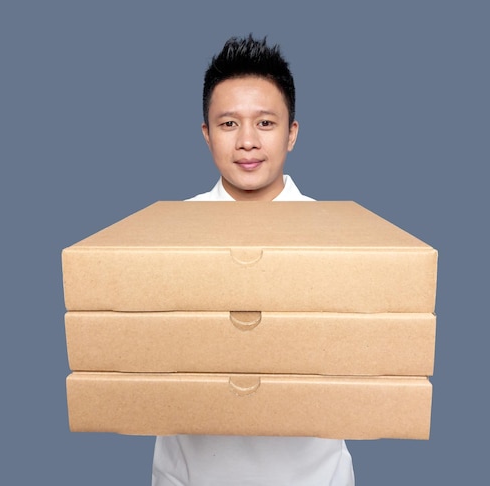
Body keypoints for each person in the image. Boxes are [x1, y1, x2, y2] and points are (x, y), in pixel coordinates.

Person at [151, 34, 356, 486]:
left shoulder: (340, 238)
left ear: (292, 133)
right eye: (228, 125)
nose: (247, 141)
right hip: (193, 470)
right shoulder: (167, 235)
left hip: (312, 474)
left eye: (265, 123)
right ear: (206, 134)